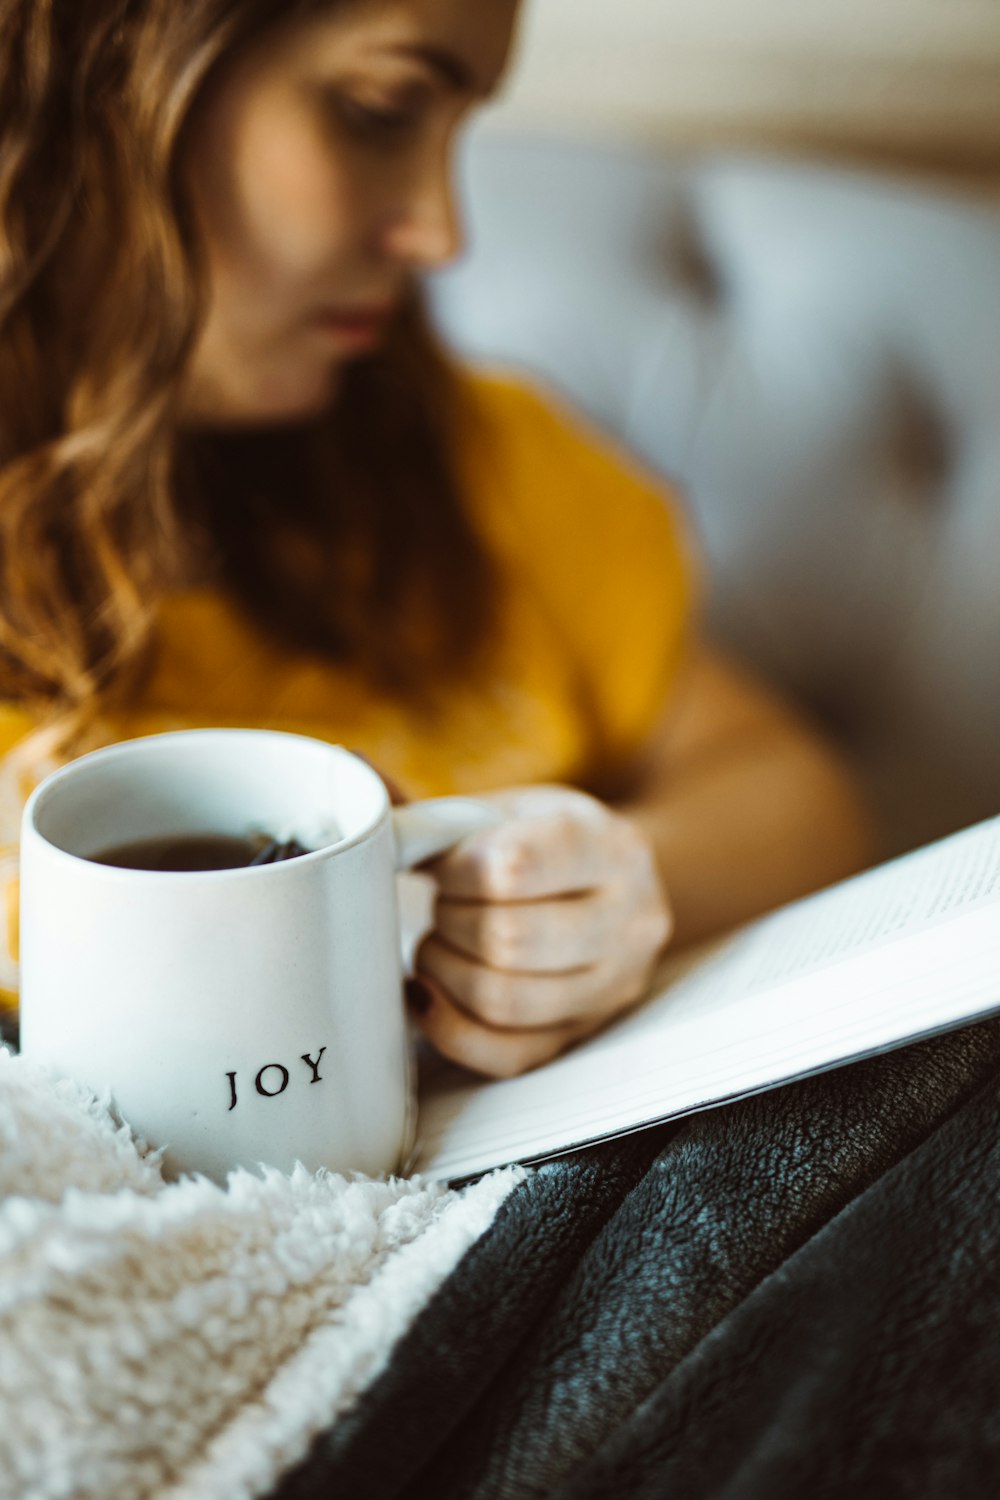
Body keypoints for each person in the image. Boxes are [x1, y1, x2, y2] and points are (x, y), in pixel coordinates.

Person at [0, 0, 870, 1077]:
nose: (441, 232)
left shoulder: (485, 465)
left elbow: (793, 791)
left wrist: (618, 886)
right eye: (381, 108)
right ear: (98, 73)